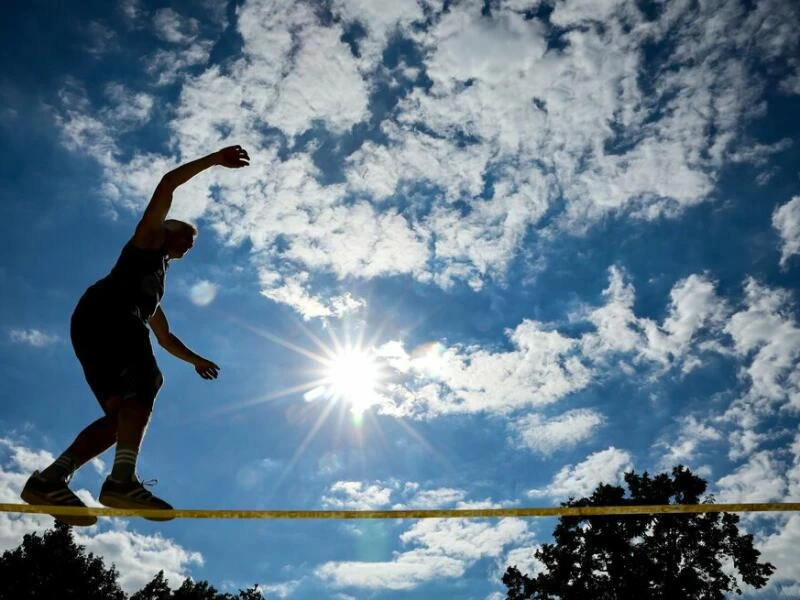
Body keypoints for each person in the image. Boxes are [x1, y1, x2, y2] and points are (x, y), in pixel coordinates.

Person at [20, 145, 250, 526]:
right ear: (166, 231)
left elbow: (164, 337)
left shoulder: (150, 289)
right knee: (146, 380)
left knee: (121, 419)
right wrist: (213, 160)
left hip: (99, 326)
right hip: (108, 315)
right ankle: (121, 480)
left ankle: (49, 480)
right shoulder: (146, 241)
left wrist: (197, 362)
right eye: (187, 237)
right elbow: (167, 184)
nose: (189, 246)